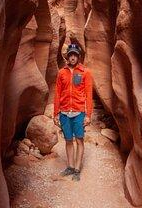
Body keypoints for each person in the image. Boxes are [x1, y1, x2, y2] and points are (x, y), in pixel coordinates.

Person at [53, 43, 93, 181]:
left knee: (79, 140)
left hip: (78, 112)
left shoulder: (85, 72)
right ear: (67, 56)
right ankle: (70, 167)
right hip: (64, 112)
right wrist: (55, 113)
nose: (73, 57)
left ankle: (77, 169)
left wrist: (88, 115)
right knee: (68, 140)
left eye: (75, 54)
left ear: (78, 56)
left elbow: (89, 94)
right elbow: (57, 93)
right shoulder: (61, 73)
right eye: (71, 54)